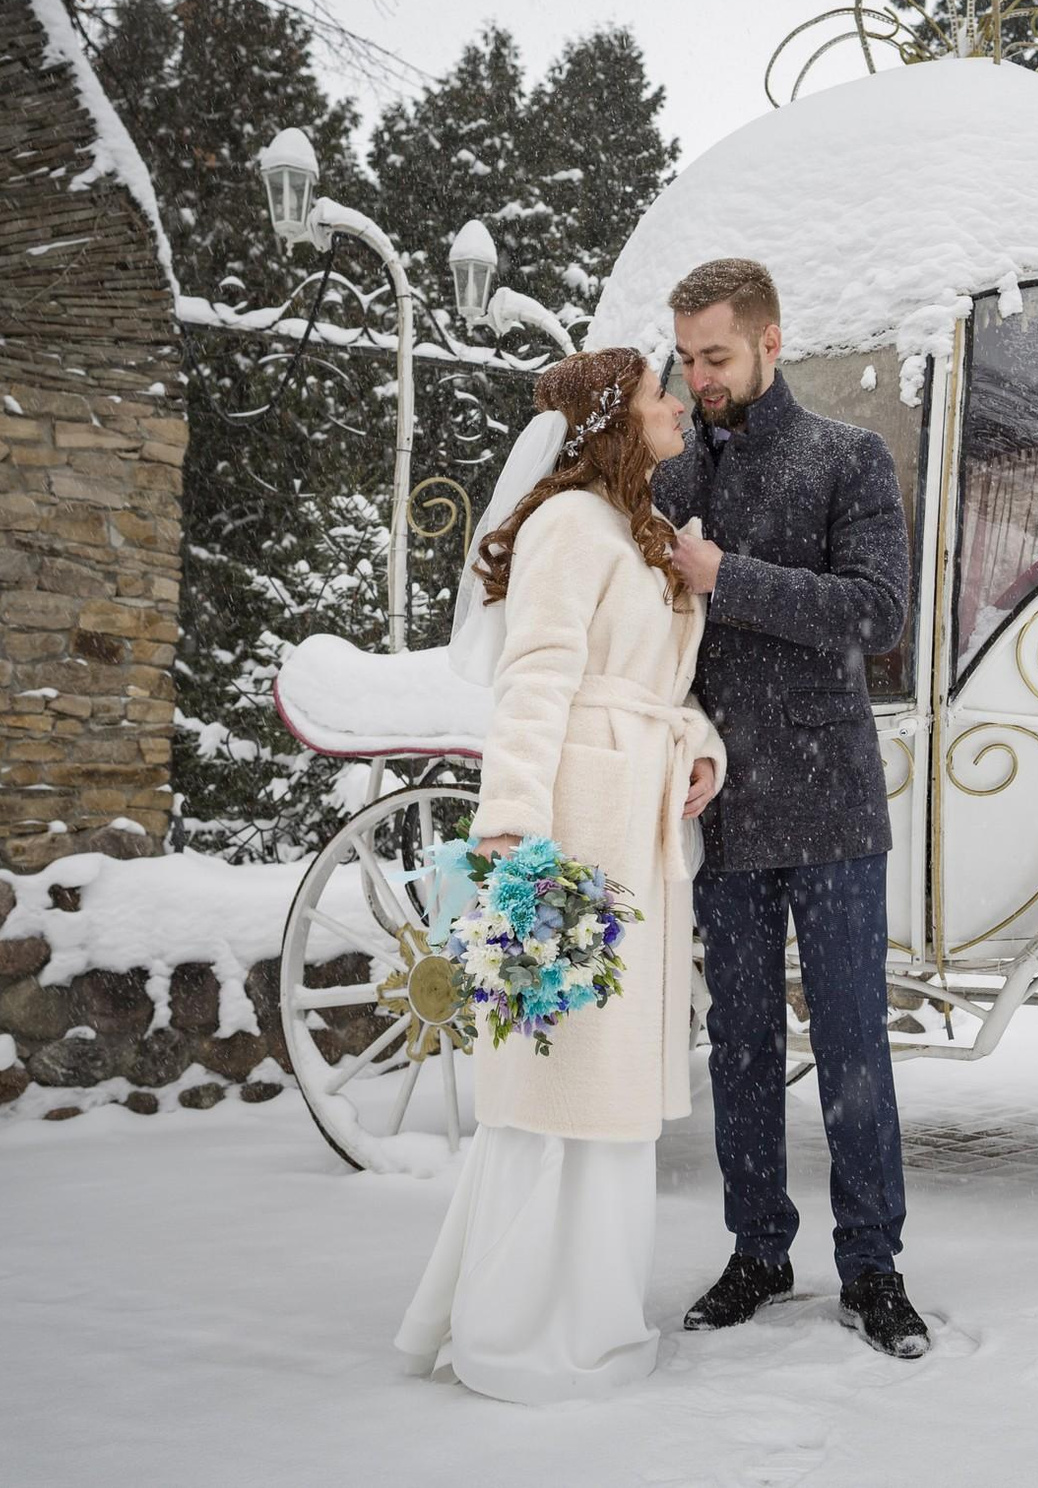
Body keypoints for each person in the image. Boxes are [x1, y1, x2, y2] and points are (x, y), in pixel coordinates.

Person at [394, 347, 724, 1402]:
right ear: (610, 421)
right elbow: (536, 681)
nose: (674, 403)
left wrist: (701, 745)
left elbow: (661, 684)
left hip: (640, 816)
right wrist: (513, 834)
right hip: (580, 821)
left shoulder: (645, 531)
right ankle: (521, 1325)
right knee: (559, 1058)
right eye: (655, 393)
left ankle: (592, 1310)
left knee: (613, 1072)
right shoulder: (566, 526)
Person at [651, 257, 930, 1359]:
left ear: (771, 341)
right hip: (719, 805)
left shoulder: (846, 456)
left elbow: (877, 611)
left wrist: (729, 575)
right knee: (740, 1039)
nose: (698, 375)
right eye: (685, 355)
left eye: (715, 354)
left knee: (855, 1037)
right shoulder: (668, 478)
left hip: (831, 800)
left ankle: (873, 1265)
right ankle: (758, 1250)